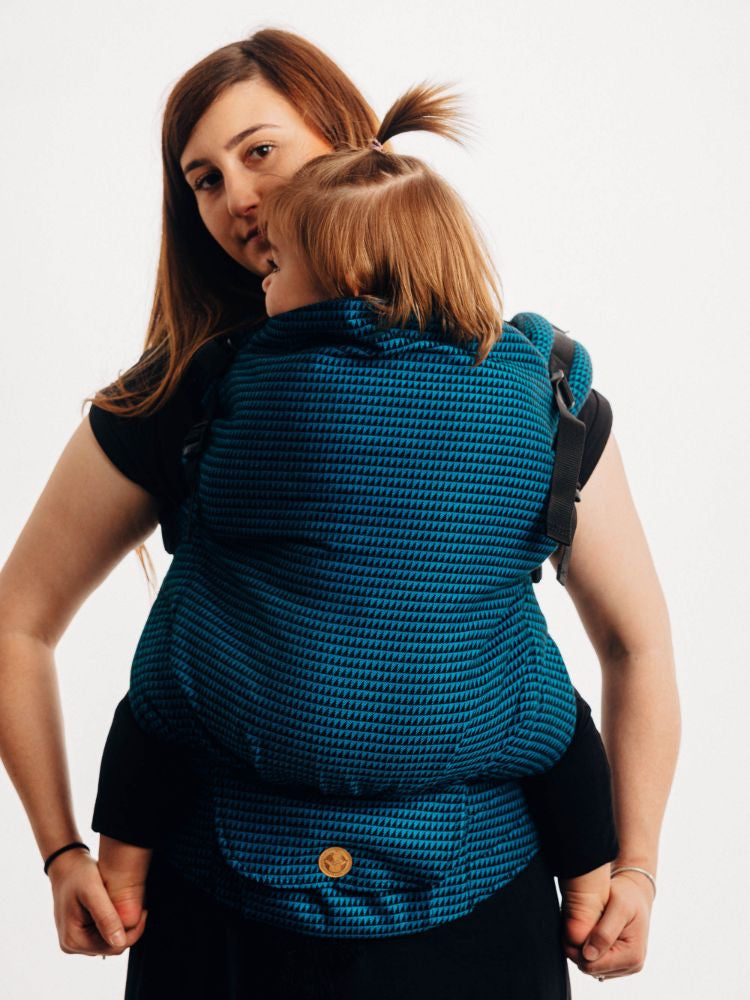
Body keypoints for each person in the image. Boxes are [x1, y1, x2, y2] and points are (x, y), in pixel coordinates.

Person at [0, 27, 680, 1000]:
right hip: (222, 930)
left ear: (348, 143)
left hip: (479, 927)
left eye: (259, 151)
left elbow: (635, 640)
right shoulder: (182, 394)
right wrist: (65, 851)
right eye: (203, 179)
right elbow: (17, 619)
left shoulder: (535, 392)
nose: (238, 197)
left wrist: (635, 869)